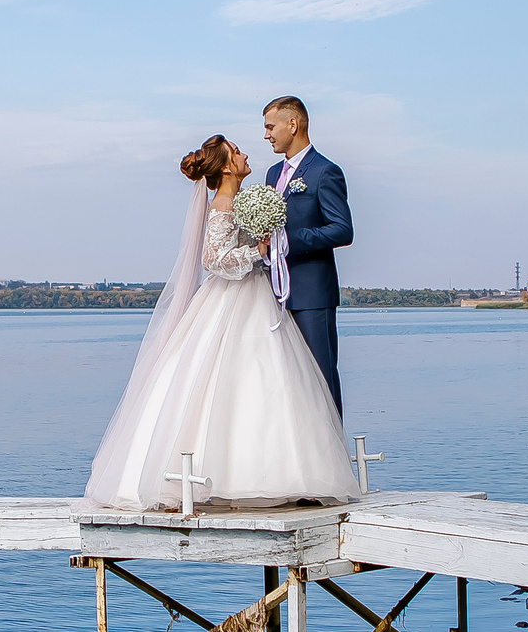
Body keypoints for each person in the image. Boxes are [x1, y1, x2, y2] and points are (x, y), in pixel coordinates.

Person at [83, 134, 356, 510]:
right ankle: (234, 476)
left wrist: (265, 242)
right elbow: (214, 260)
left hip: (258, 294)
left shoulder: (241, 200)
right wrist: (259, 251)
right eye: (238, 152)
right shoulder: (223, 204)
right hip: (232, 298)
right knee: (236, 383)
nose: (246, 154)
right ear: (227, 166)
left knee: (267, 382)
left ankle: (273, 474)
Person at [259, 95, 351, 413]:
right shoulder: (272, 175)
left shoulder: (325, 172)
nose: (266, 134)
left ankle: (335, 456)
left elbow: (342, 229)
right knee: (287, 382)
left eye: (271, 126)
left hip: (312, 294)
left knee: (320, 380)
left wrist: (289, 240)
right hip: (275, 296)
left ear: (293, 124)